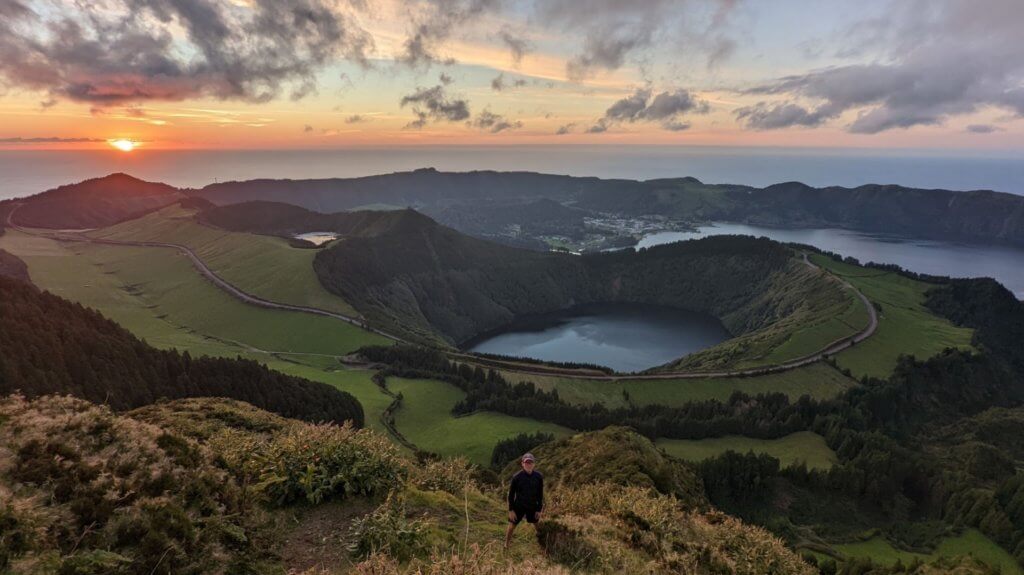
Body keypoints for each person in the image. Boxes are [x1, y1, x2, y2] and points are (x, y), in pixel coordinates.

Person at [504, 452, 544, 549]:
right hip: (519, 506)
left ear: (534, 464)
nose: (528, 464)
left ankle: (542, 541)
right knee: (512, 526)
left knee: (537, 525)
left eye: (530, 462)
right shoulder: (516, 477)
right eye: (526, 462)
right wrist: (511, 510)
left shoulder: (539, 477)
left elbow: (540, 494)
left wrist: (539, 510)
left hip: (532, 506)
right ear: (522, 464)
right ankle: (506, 544)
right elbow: (511, 495)